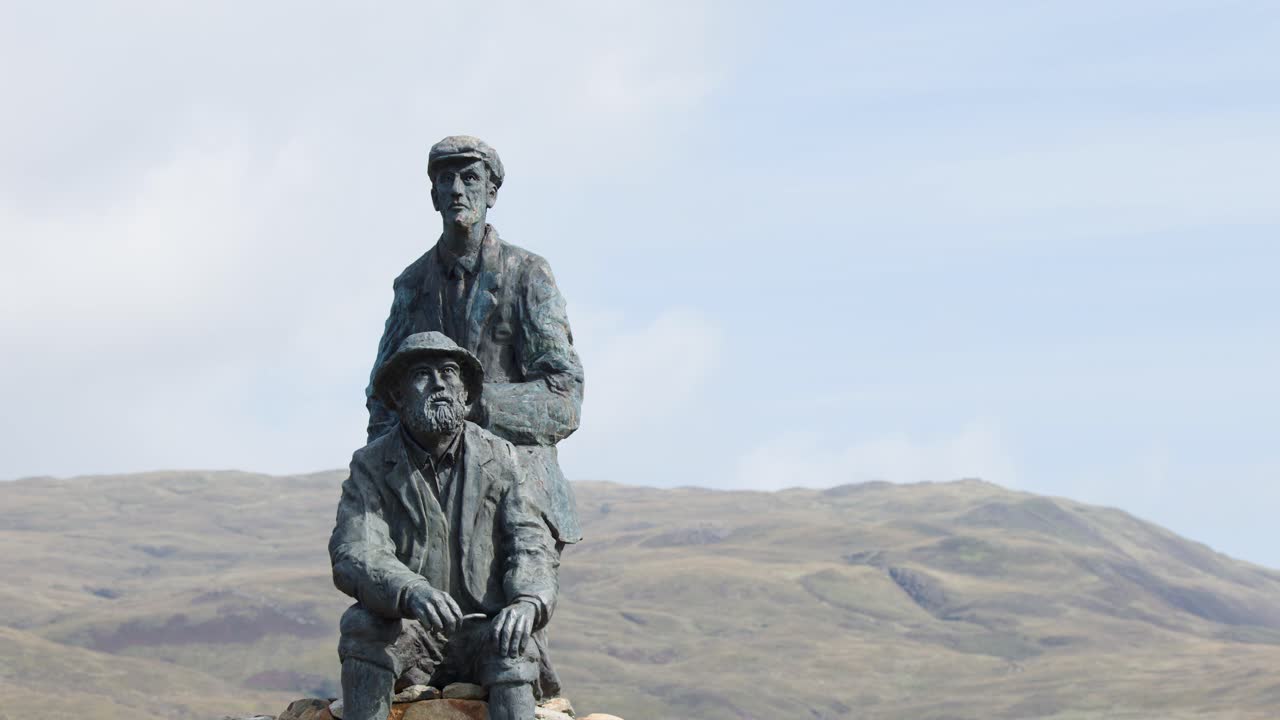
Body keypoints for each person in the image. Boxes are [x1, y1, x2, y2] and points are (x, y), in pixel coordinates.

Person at [365, 135, 583, 696]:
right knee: (405, 628)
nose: (456, 189)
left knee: (509, 635)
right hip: (429, 476)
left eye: (469, 178)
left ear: (492, 190)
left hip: (514, 479)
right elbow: (382, 395)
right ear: (432, 194)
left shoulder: (527, 274)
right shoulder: (413, 285)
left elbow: (564, 397)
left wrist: (472, 408)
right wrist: (387, 469)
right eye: (445, 179)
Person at [332, 332, 558, 720]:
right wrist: (411, 591)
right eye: (422, 374)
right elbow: (356, 550)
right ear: (398, 396)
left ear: (466, 392)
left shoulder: (502, 458)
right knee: (361, 625)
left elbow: (531, 543)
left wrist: (527, 602)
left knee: (514, 641)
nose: (439, 383)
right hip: (410, 632)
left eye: (449, 373)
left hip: (483, 631)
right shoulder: (371, 465)